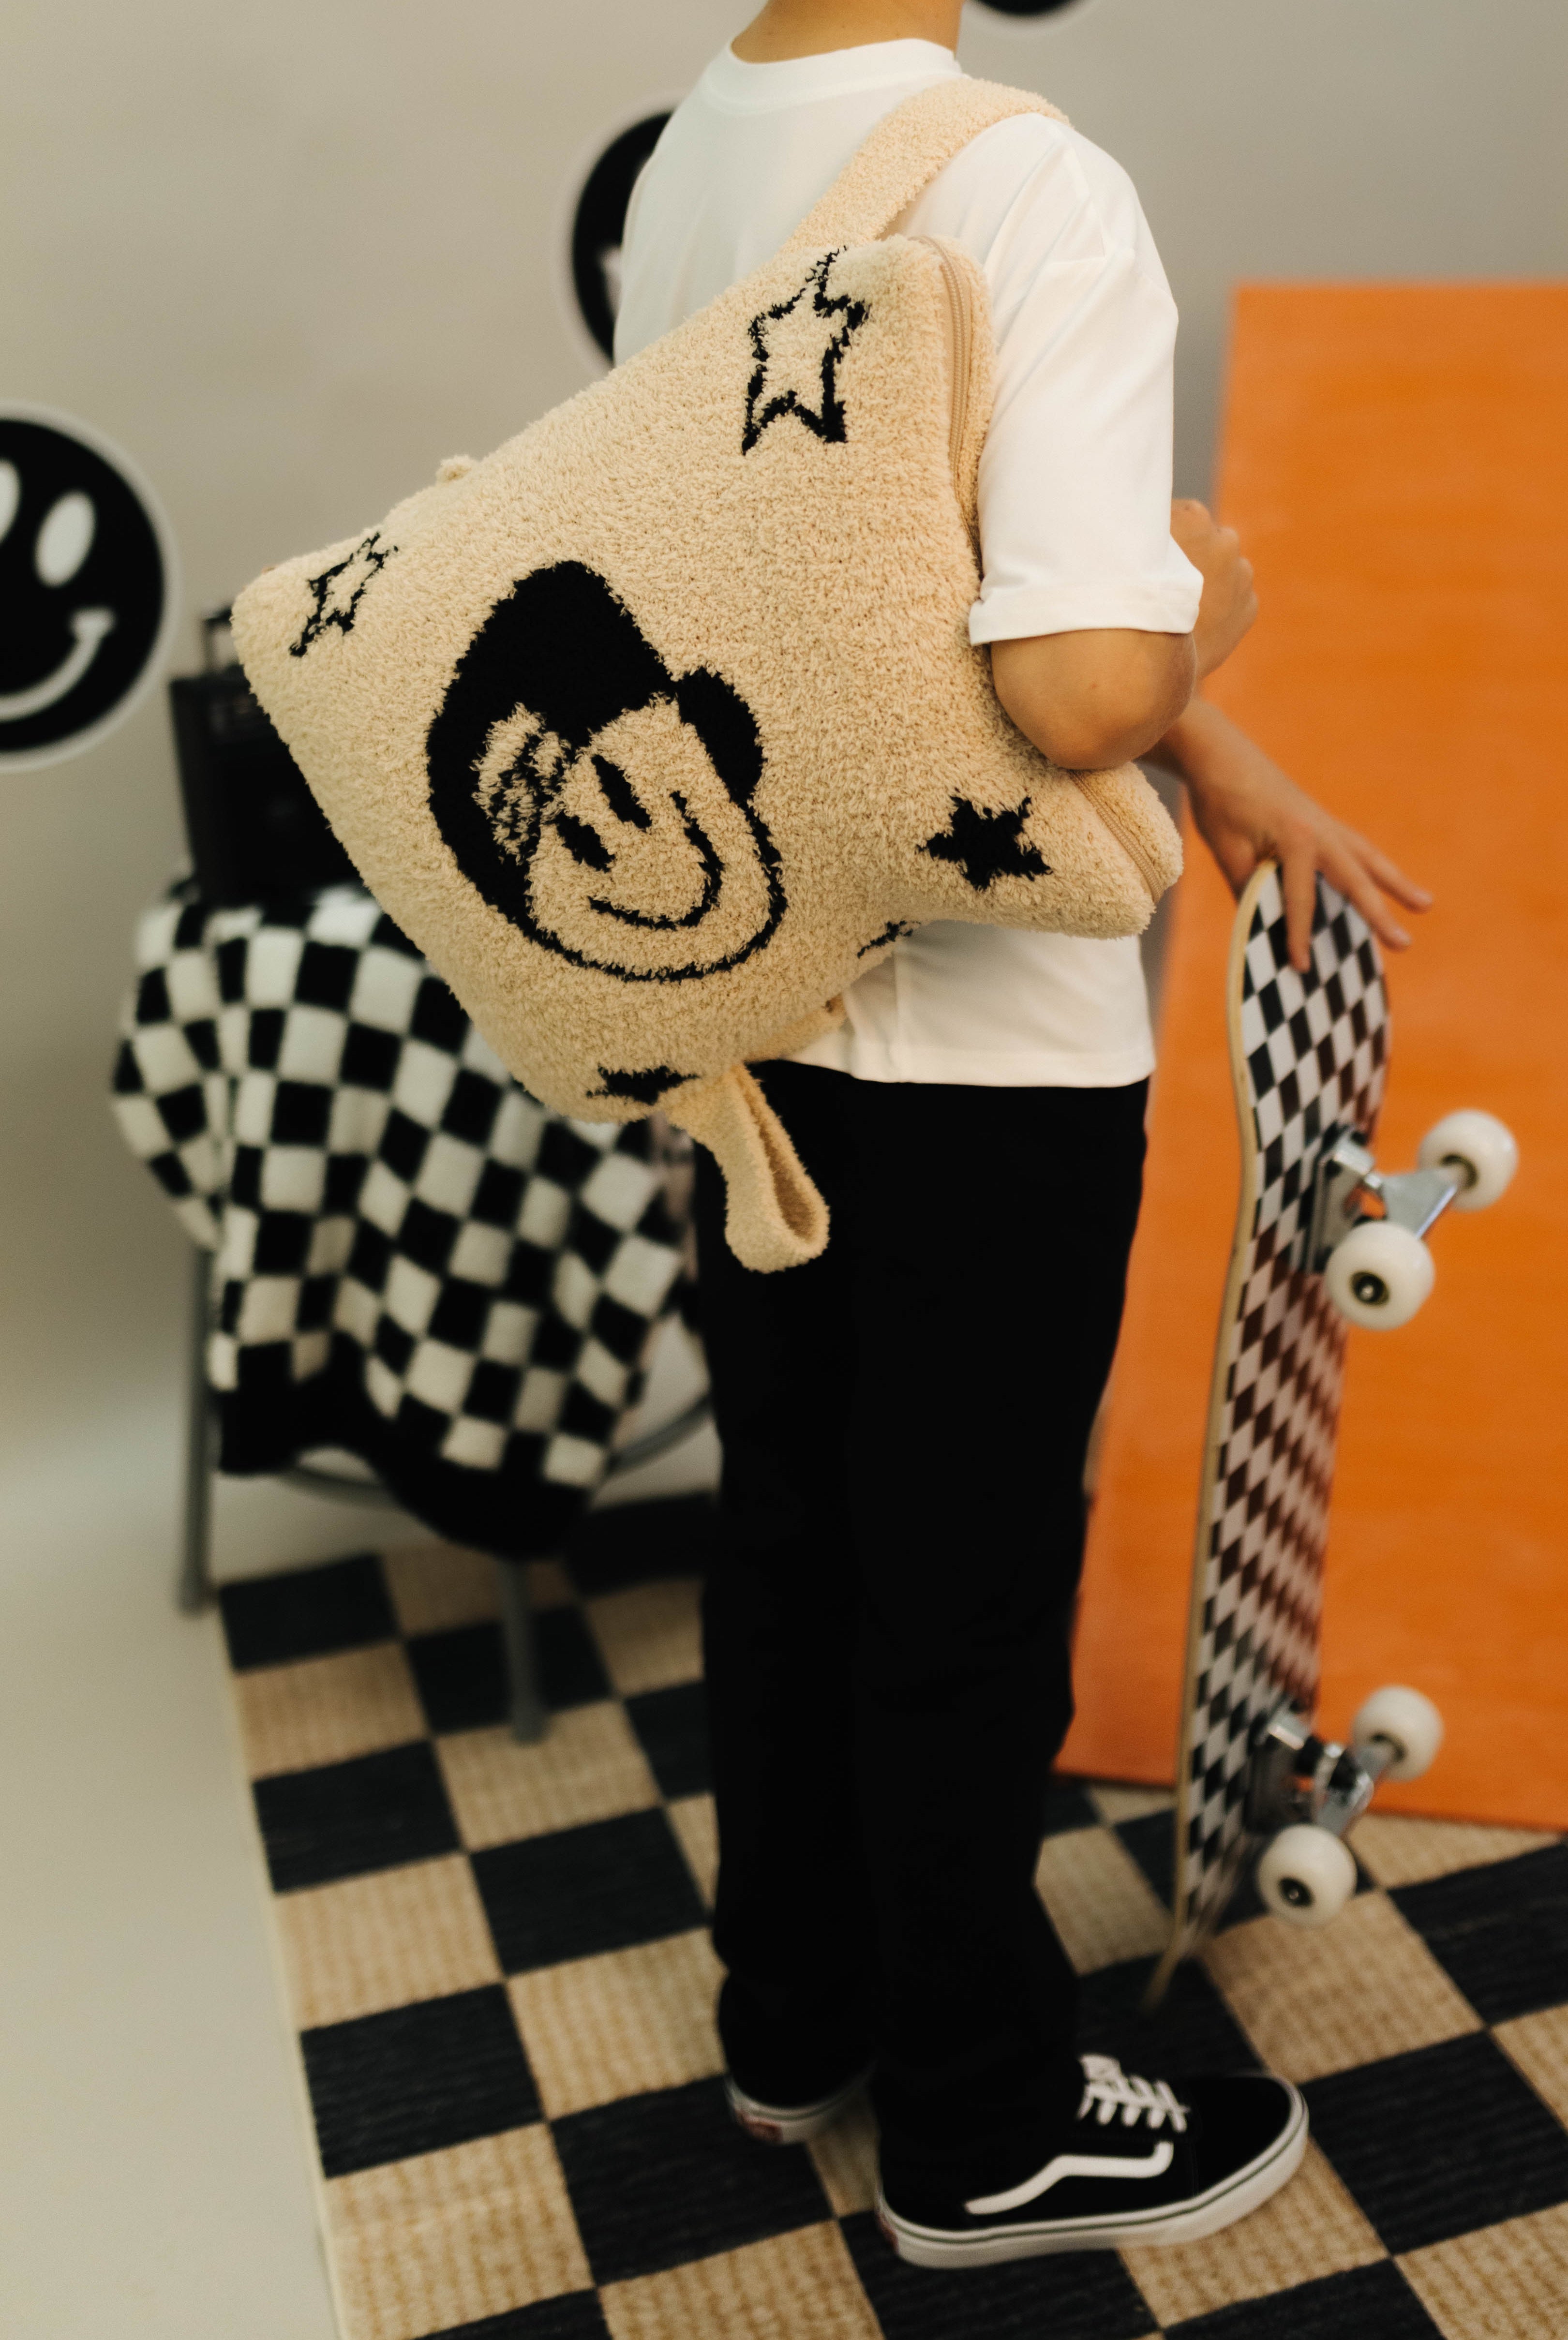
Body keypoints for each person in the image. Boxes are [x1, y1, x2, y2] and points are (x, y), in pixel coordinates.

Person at [614, 0, 1431, 2271]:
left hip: (762, 1009)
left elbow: (831, 603)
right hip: (985, 1050)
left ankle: (796, 2026)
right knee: (961, 1590)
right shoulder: (1030, 181)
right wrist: (1207, 618)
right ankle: (983, 2121)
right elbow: (1068, 680)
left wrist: (1222, 757)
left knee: (792, 1530)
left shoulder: (708, 148)